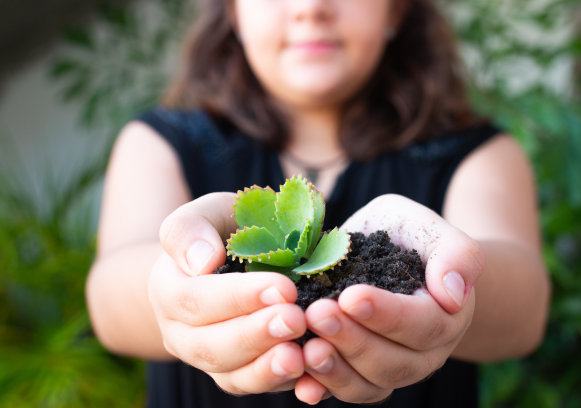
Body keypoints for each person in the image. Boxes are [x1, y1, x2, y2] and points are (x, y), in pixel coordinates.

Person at [86, 0, 551, 406]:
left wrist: (447, 281)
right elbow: (111, 300)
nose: (310, 6)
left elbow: (525, 311)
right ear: (233, 10)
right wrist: (173, 288)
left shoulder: (478, 154)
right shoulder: (159, 143)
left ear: (396, 8)